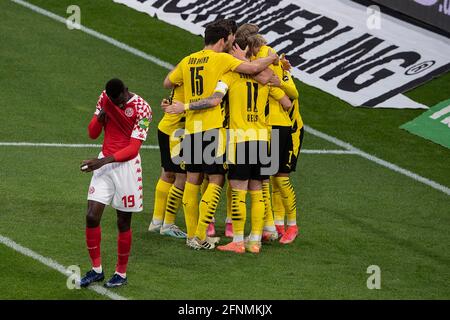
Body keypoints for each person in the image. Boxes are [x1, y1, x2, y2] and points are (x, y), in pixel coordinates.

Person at [163, 21, 279, 250]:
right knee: (217, 179)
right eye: (229, 39)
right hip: (214, 128)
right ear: (223, 40)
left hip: (190, 129)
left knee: (192, 180)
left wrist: (180, 103)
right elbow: (256, 72)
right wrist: (272, 58)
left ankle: (192, 236)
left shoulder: (188, 60)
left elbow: (168, 81)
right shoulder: (224, 61)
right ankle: (200, 235)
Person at [79, 78, 152, 288]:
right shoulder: (105, 98)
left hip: (126, 168)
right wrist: (100, 118)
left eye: (120, 100)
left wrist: (101, 161)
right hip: (104, 164)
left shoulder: (142, 108)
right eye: (114, 101)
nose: (118, 105)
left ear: (126, 91)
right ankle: (96, 270)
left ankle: (120, 273)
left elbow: (133, 149)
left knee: (123, 222)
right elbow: (93, 134)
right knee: (91, 216)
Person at [148, 84, 187, 239]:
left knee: (167, 173)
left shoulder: (185, 70)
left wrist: (171, 101)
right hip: (177, 131)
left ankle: (156, 222)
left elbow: (168, 81)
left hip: (167, 127)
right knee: (181, 177)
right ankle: (168, 224)